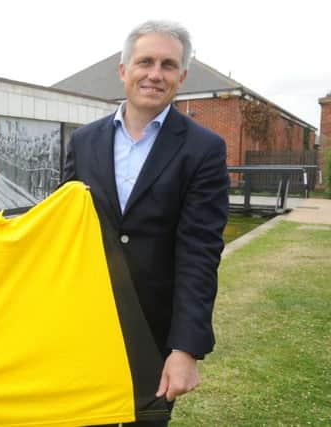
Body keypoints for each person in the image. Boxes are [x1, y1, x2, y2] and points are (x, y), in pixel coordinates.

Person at [63, 20, 229, 426]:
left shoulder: (204, 149)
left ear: (182, 77)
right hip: (84, 326)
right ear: (124, 70)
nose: (155, 74)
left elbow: (200, 253)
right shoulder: (83, 142)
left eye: (168, 65)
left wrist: (185, 349)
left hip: (154, 337)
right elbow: (62, 226)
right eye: (145, 62)